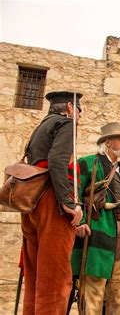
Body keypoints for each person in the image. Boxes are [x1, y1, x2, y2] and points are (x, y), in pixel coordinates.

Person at [20, 91, 84, 314]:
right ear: (69, 106)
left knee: (36, 275)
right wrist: (67, 201)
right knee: (55, 278)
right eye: (79, 109)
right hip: (51, 201)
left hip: (33, 202)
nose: (80, 115)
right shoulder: (66, 124)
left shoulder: (40, 128)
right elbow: (57, 161)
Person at [71, 122, 120, 313]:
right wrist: (78, 221)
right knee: (93, 289)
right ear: (108, 142)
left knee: (119, 291)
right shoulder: (88, 163)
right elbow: (73, 194)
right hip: (99, 229)